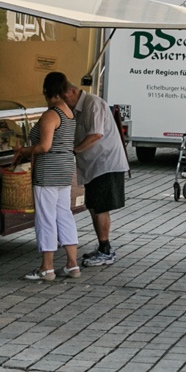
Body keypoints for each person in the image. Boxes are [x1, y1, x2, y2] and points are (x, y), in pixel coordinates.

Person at [59, 73, 127, 268]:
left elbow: (96, 134)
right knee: (94, 206)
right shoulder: (77, 108)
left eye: (65, 98)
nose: (65, 103)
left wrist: (74, 150)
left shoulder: (92, 104)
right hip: (93, 165)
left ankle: (105, 249)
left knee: (100, 207)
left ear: (72, 91)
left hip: (104, 163)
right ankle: (102, 247)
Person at [23, 74, 81, 282]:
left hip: (48, 171)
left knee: (46, 217)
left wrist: (25, 151)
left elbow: (44, 146)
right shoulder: (68, 112)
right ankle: (72, 265)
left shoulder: (51, 114)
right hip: (65, 170)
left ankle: (46, 268)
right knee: (64, 214)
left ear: (46, 90)